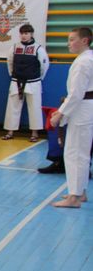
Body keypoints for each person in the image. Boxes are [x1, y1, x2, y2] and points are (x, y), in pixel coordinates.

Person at [50, 27, 93, 208]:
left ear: (84, 41)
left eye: (72, 39)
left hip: (82, 108)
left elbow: (76, 93)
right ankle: (80, 191)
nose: (69, 43)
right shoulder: (88, 58)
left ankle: (74, 197)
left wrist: (61, 113)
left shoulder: (84, 62)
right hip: (85, 107)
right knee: (80, 152)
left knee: (75, 153)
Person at [2, 24, 49, 141]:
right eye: (22, 33)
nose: (24, 36)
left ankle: (35, 133)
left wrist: (39, 78)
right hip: (16, 80)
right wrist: (13, 75)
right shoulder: (14, 47)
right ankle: (10, 131)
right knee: (12, 107)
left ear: (31, 34)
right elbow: (10, 63)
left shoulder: (38, 49)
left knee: (35, 107)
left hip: (33, 81)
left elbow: (44, 65)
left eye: (26, 33)